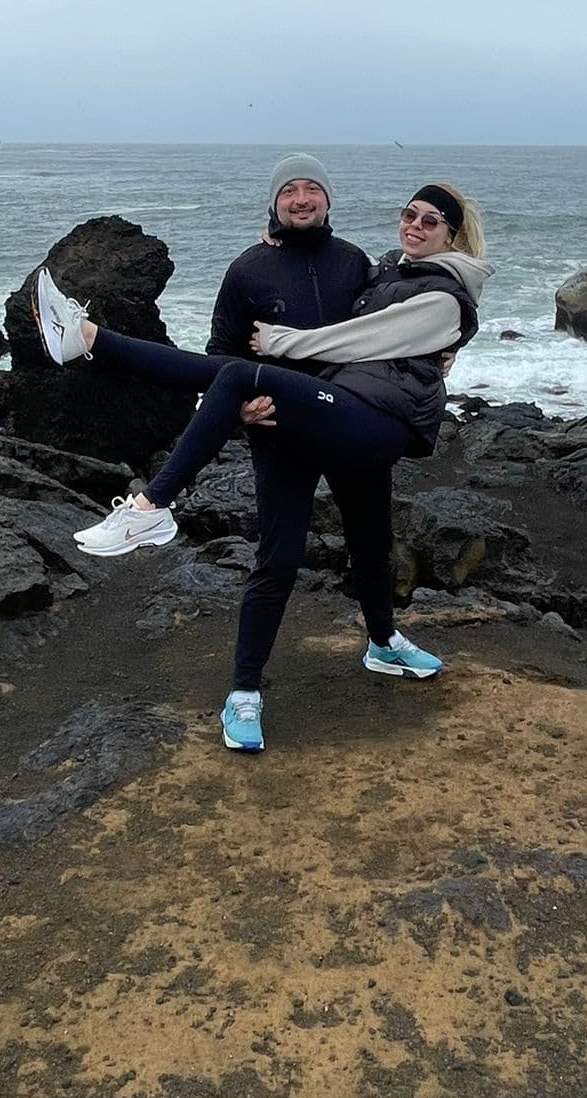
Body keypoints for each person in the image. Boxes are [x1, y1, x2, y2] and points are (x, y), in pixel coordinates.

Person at [31, 165, 490, 755]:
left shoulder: (357, 263)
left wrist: (293, 344)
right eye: (289, 191)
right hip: (282, 423)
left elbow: (382, 335)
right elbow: (222, 352)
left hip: (349, 414)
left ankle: (381, 640)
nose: (302, 198)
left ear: (329, 199)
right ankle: (245, 690)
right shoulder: (261, 268)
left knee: (372, 545)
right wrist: (241, 412)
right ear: (275, 205)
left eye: (312, 189)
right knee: (276, 559)